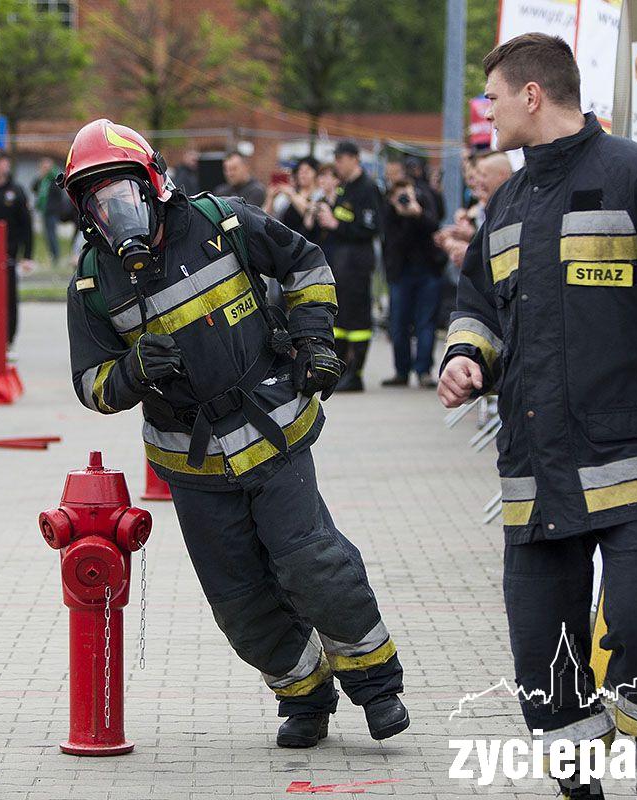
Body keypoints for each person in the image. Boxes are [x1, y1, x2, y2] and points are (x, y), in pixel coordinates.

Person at [438, 34, 637, 800]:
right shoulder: (509, 203)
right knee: (543, 655)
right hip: (536, 472)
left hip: (633, 458)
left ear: (532, 94)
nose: (488, 113)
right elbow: (478, 304)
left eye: (493, 98)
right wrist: (467, 357)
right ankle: (579, 788)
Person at [62, 119, 408, 749]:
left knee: (311, 563)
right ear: (85, 212)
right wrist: (132, 372)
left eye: (123, 194)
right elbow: (91, 384)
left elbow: (305, 263)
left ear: (152, 184)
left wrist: (314, 341)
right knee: (238, 597)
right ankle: (303, 697)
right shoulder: (92, 281)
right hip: (191, 464)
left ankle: (377, 687)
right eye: (98, 203)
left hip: (271, 431)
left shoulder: (222, 222)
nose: (115, 213)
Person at [317, 141, 383, 392]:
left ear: (354, 159)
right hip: (341, 264)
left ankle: (357, 373)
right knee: (341, 320)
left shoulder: (367, 189)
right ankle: (342, 370)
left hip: (357, 264)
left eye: (340, 159)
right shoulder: (345, 189)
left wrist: (337, 225)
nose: (337, 164)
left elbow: (370, 227)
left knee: (357, 321)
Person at [381, 174, 442, 388]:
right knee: (399, 323)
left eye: (407, 193)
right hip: (401, 273)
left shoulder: (424, 201)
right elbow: (394, 243)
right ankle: (402, 370)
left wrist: (418, 213)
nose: (404, 199)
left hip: (428, 271)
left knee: (426, 322)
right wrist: (403, 215)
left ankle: (424, 370)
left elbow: (434, 225)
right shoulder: (390, 212)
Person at [0, 149, 36, 351]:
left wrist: (27, 256)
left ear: (6, 164)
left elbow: (26, 227)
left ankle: (8, 340)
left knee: (8, 299)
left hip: (8, 256)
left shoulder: (16, 191)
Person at [265, 156, 320, 239]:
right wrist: (270, 198)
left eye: (307, 170)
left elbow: (310, 212)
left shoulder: (318, 195)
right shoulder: (289, 193)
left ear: (316, 173)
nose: (302, 174)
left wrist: (292, 195)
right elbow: (267, 217)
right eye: (300, 171)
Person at [31, 157, 68, 264]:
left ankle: (56, 255)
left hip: (53, 211)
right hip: (44, 211)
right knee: (47, 235)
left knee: (52, 234)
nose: (44, 168)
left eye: (46, 166)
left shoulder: (55, 178)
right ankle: (52, 254)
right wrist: (40, 177)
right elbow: (33, 188)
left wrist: (56, 208)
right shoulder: (42, 180)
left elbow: (60, 194)